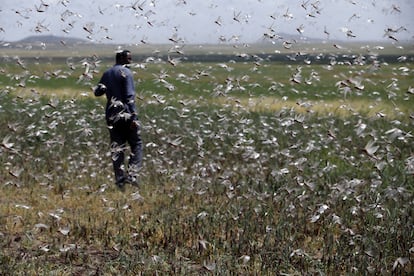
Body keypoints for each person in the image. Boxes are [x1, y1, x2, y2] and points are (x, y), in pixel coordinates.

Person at [94, 50, 143, 189]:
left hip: (112, 116)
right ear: (121, 58)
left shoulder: (107, 73)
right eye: (128, 58)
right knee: (137, 144)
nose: (130, 61)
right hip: (126, 115)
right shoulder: (127, 73)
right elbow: (129, 96)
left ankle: (120, 181)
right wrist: (134, 117)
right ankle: (132, 176)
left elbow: (98, 92)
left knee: (117, 149)